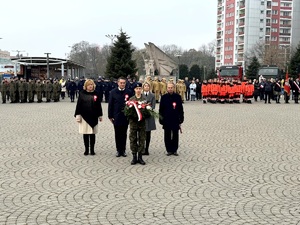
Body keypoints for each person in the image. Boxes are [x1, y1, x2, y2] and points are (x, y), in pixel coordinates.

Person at [74, 79, 103, 156]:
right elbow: (79, 105)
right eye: (89, 85)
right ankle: (86, 149)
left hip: (94, 116)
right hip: (84, 117)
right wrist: (78, 115)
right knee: (86, 134)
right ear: (86, 86)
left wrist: (100, 115)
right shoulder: (82, 93)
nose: (90, 86)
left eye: (92, 84)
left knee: (92, 134)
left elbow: (98, 105)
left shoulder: (96, 93)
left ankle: (92, 149)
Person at [108, 77, 132, 157]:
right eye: (121, 83)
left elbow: (131, 104)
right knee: (117, 134)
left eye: (123, 83)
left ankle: (123, 150)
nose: (122, 84)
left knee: (124, 133)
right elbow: (110, 105)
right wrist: (110, 116)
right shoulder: (113, 92)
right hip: (116, 116)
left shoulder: (129, 92)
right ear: (118, 83)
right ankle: (118, 150)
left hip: (125, 116)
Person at [159, 82, 184, 156]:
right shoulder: (163, 97)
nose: (170, 89)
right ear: (167, 88)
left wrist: (181, 118)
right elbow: (161, 109)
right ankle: (169, 150)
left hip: (175, 118)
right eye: (169, 87)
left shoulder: (178, 97)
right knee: (167, 135)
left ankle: (175, 149)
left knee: (175, 134)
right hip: (166, 119)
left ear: (174, 88)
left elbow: (180, 109)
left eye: (171, 87)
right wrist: (161, 119)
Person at [128, 82, 147, 165]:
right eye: (137, 89)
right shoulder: (131, 99)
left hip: (142, 123)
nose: (138, 90)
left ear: (141, 89)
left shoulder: (145, 99)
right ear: (134, 89)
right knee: (133, 138)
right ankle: (134, 156)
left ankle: (140, 156)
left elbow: (148, 111)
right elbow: (127, 112)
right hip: (133, 123)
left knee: (142, 139)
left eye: (140, 88)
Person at [142, 82, 156, 155]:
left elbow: (153, 106)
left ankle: (147, 149)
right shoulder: (141, 95)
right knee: (142, 133)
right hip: (142, 116)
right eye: (145, 86)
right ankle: (142, 148)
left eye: (148, 86)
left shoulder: (152, 95)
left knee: (148, 133)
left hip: (149, 116)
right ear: (143, 87)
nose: (146, 87)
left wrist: (149, 109)